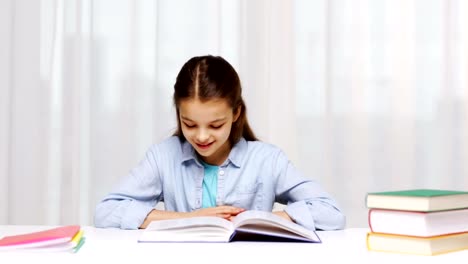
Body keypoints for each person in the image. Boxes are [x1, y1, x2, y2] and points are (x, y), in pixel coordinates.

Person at [94, 55, 345, 231]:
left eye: (215, 125)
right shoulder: (163, 157)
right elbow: (105, 212)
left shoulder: (267, 160)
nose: (202, 136)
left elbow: (331, 213)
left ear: (236, 114)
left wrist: (262, 220)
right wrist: (189, 220)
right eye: (189, 124)